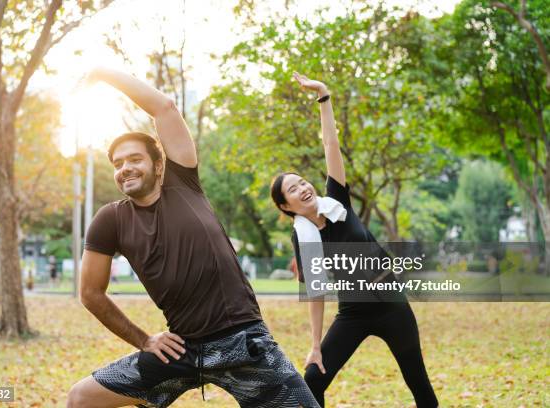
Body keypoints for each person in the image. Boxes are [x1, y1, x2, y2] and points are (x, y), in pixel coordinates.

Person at [66, 67, 320, 408]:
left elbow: (164, 109)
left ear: (159, 166)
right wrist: (143, 339)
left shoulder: (182, 183)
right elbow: (90, 293)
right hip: (182, 350)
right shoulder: (110, 219)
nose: (124, 167)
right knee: (81, 398)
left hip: (243, 343)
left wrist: (101, 74)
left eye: (134, 159)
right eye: (117, 163)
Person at [270, 72, 439, 407]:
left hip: (392, 304)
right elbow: (315, 293)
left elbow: (330, 145)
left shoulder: (338, 203)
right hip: (353, 312)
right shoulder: (303, 238)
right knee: (314, 379)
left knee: (419, 384)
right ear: (286, 207)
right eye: (293, 189)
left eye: (303, 182)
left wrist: (324, 98)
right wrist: (315, 344)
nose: (303, 188)